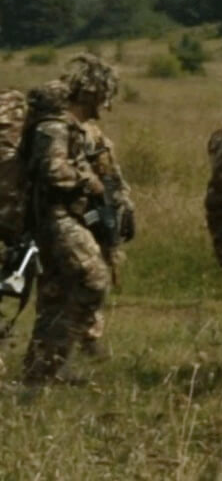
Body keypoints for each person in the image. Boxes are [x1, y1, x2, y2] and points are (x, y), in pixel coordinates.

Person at [19, 80, 116, 389]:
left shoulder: (64, 128)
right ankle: (51, 361)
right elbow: (53, 171)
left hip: (58, 220)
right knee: (93, 279)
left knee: (56, 294)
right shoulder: (55, 129)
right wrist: (90, 183)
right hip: (57, 219)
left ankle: (41, 372)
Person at [52, 53, 134, 361]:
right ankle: (66, 348)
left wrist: (120, 202)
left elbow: (108, 170)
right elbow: (61, 172)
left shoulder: (89, 131)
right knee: (88, 279)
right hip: (68, 215)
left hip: (90, 214)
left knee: (73, 285)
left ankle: (58, 357)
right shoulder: (64, 128)